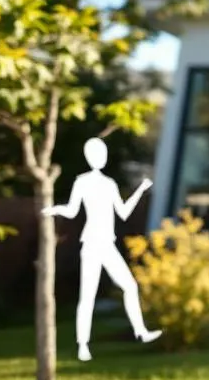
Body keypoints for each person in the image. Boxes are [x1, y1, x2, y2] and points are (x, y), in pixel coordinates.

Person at [42, 137, 163, 362]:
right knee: (87, 296)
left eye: (103, 153)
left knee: (129, 286)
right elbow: (71, 210)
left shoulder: (110, 184)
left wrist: (140, 190)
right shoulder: (83, 182)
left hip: (108, 243)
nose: (101, 158)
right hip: (91, 244)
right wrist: (54, 209)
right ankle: (83, 345)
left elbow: (124, 212)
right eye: (97, 154)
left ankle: (140, 331)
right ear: (90, 157)